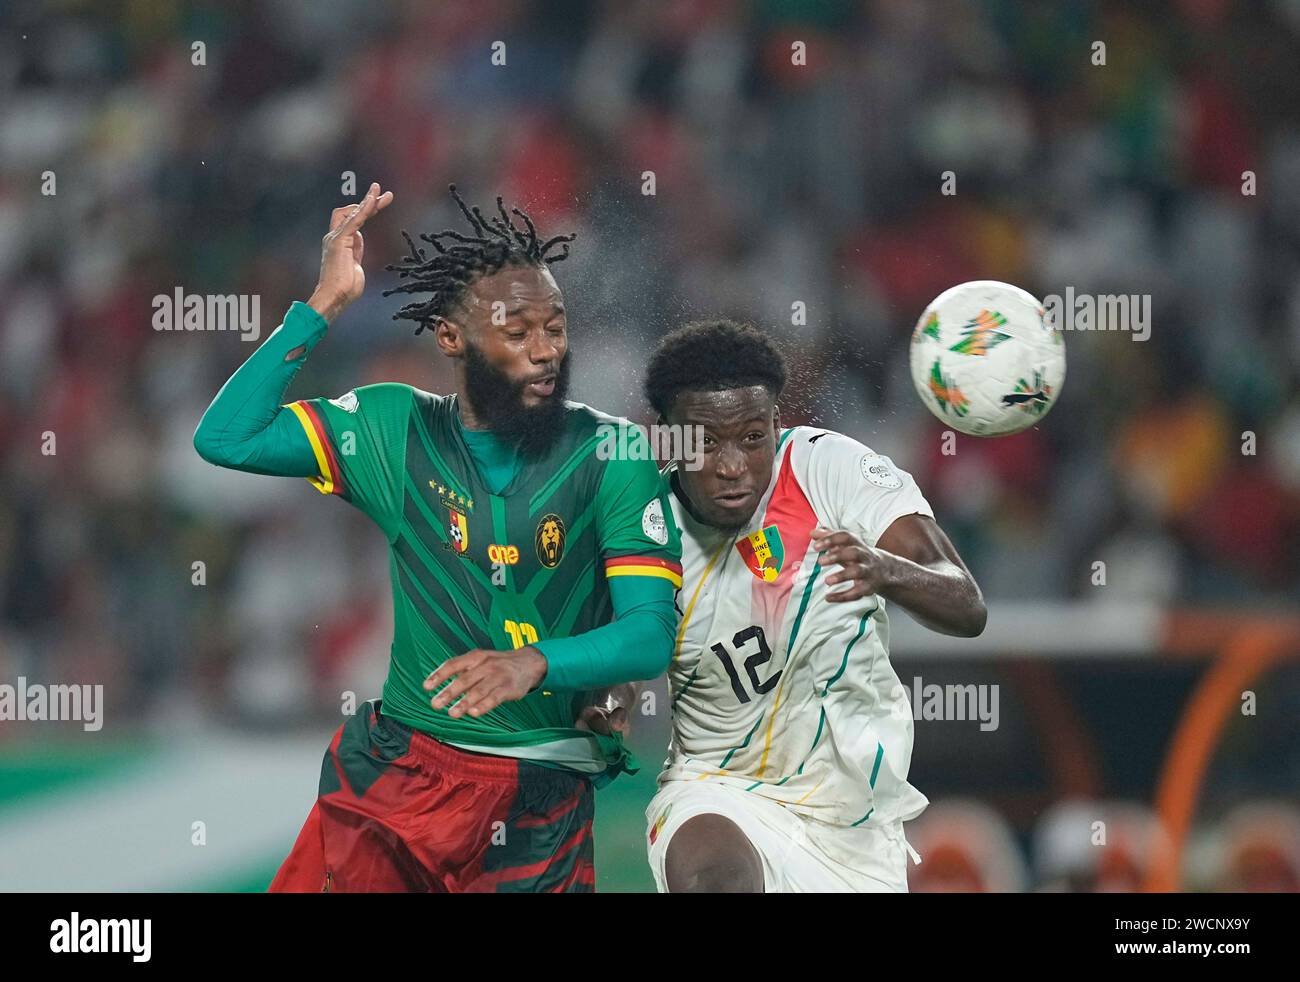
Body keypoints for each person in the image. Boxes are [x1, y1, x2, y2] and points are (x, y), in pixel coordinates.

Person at [193, 182, 682, 892]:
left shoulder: (613, 454)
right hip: (402, 773)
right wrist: (324, 303)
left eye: (556, 328)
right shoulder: (395, 428)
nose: (545, 352)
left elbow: (649, 633)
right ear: (452, 338)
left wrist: (535, 664)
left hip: (537, 791)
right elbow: (226, 438)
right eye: (518, 334)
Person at [638, 319, 986, 892]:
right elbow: (624, 653)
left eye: (753, 438)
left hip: (858, 830)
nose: (732, 467)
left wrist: (884, 569)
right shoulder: (649, 534)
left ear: (777, 425)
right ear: (668, 438)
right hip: (720, 792)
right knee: (711, 875)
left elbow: (967, 604)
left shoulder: (828, 469)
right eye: (704, 442)